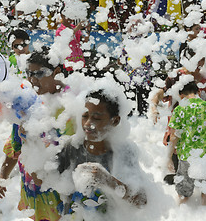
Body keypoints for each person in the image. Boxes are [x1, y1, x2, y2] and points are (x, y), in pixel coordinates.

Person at [0, 47, 74, 221]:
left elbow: (73, 156)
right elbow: (16, 144)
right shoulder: (28, 102)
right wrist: (2, 176)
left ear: (57, 71)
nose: (32, 80)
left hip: (61, 195)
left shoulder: (71, 106)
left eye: (38, 73)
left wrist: (37, 139)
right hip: (34, 191)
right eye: (29, 73)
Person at [56, 90, 147, 219]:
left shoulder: (124, 152)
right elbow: (51, 182)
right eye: (84, 116)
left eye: (96, 118)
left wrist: (108, 181)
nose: (87, 124)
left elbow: (141, 201)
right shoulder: (72, 146)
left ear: (114, 121)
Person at [151, 47, 206, 185]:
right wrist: (154, 106)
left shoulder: (205, 78)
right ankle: (179, 177)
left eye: (202, 59)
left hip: (198, 126)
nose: (200, 63)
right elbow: (161, 92)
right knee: (177, 150)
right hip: (178, 124)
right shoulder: (176, 76)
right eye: (198, 59)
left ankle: (194, 180)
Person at [168, 81, 206, 205]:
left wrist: (168, 158)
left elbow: (174, 136)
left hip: (186, 154)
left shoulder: (179, 109)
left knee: (183, 190)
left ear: (181, 95)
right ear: (199, 92)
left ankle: (182, 214)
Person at [56, 5, 90, 72]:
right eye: (68, 16)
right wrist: (77, 28)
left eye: (71, 16)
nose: (70, 19)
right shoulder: (60, 30)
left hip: (78, 61)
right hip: (67, 63)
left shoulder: (74, 27)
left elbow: (85, 41)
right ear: (62, 15)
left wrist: (88, 30)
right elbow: (66, 39)